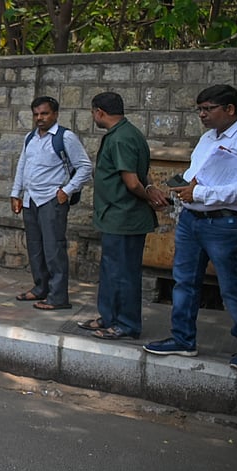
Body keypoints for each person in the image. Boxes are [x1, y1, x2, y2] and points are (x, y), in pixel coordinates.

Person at [143, 84, 237, 369]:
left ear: (230, 109)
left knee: (233, 287)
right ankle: (183, 339)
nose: (202, 115)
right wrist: (185, 186)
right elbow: (196, 174)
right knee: (184, 281)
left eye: (207, 109)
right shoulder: (208, 138)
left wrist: (200, 194)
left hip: (224, 222)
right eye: (199, 109)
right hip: (191, 220)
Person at [76, 92, 169, 340]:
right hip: (114, 216)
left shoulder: (121, 138)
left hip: (124, 217)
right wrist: (149, 189)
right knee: (111, 271)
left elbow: (131, 181)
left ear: (99, 112)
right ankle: (108, 317)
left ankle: (126, 324)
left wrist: (148, 195)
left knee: (124, 274)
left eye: (92, 112)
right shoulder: (124, 134)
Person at [10, 96, 92, 311]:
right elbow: (22, 165)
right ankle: (40, 288)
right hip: (30, 199)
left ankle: (58, 297)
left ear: (54, 114)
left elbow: (85, 167)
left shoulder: (65, 137)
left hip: (51, 200)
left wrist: (67, 190)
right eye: (36, 114)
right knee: (35, 247)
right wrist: (15, 193)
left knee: (54, 248)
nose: (40, 118)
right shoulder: (30, 138)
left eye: (44, 113)